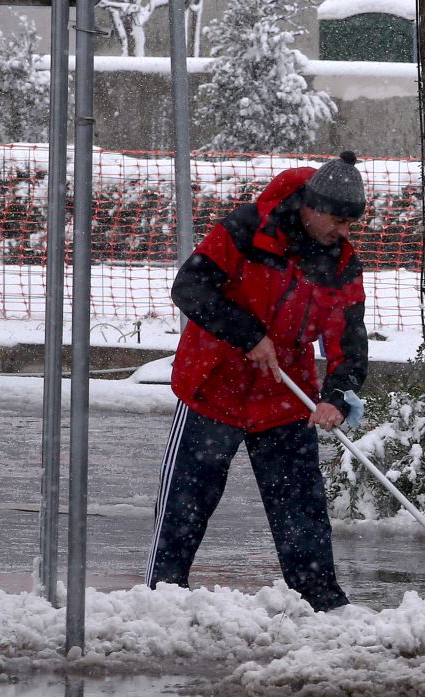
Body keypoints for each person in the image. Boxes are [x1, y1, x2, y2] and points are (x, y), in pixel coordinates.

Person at [144, 151, 369, 612]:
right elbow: (189, 287)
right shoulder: (248, 228)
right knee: (188, 500)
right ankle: (161, 596)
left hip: (285, 395)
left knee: (300, 509)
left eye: (351, 224)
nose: (344, 233)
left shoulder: (341, 265)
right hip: (214, 385)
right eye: (340, 221)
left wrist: (335, 399)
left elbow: (349, 342)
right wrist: (248, 336)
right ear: (313, 206)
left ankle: (322, 602)